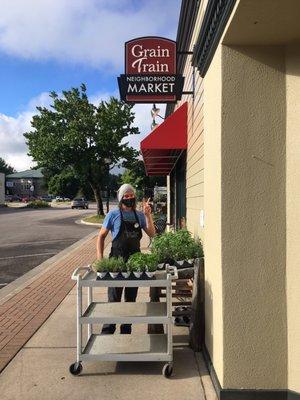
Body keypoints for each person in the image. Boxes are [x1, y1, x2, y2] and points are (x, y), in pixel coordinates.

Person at [96, 183, 155, 334]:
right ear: (121, 198)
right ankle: (108, 331)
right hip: (117, 262)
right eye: (126, 196)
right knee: (113, 299)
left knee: (130, 300)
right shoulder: (113, 215)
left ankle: (126, 331)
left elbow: (152, 234)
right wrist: (100, 259)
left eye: (131, 195)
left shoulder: (140, 215)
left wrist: (148, 215)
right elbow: (101, 237)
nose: (129, 198)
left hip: (134, 263)